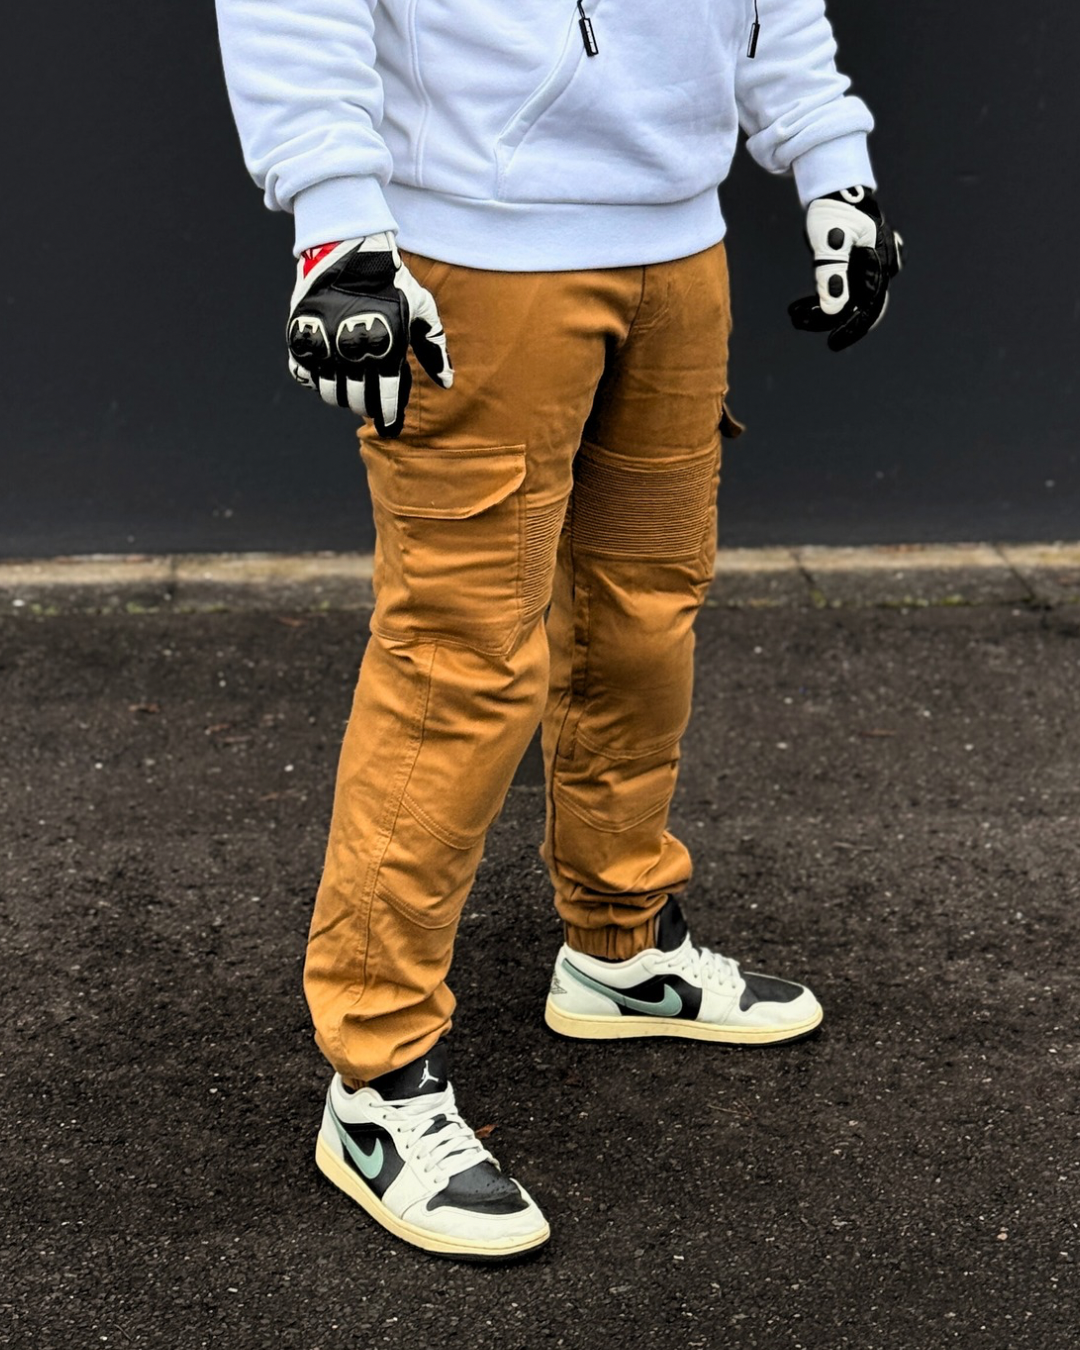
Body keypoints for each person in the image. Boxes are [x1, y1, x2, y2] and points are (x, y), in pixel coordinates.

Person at [215, 0, 902, 1261]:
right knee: (458, 660)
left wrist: (830, 159)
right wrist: (338, 228)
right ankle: (375, 1080)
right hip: (475, 251)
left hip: (681, 242)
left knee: (645, 613)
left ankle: (620, 945)